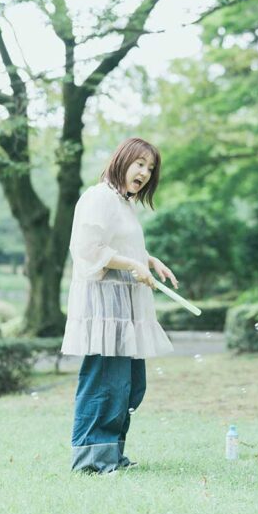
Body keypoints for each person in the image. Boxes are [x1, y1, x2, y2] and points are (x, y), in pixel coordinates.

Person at [61, 137, 178, 473]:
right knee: (105, 382)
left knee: (129, 385)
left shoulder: (122, 203)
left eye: (150, 168)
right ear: (122, 160)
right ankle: (91, 461)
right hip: (104, 308)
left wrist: (149, 261)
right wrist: (133, 265)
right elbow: (88, 249)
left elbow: (118, 245)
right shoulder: (99, 197)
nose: (144, 172)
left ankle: (111, 454)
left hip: (124, 309)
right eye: (139, 163)